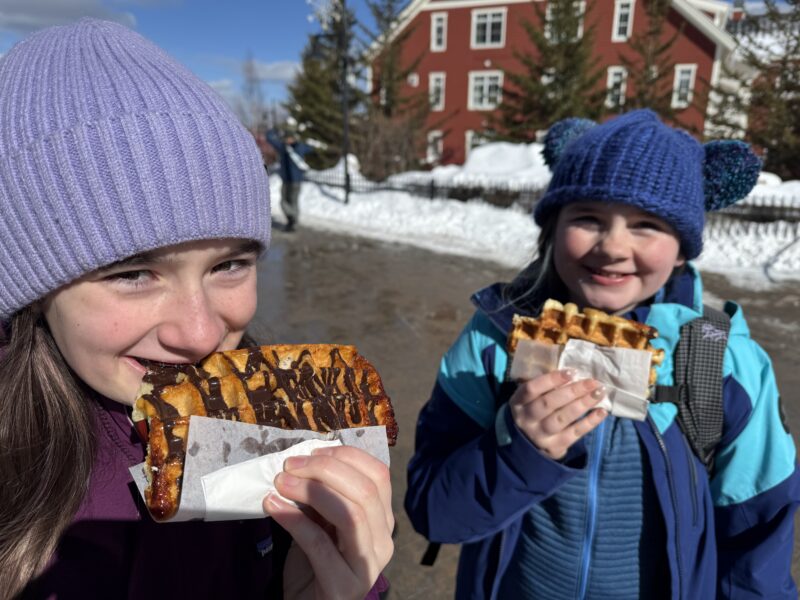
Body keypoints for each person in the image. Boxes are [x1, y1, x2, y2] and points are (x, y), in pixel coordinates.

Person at [0, 19, 392, 599]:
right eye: (133, 273)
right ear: (34, 288)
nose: (202, 332)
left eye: (229, 265)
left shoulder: (286, 430)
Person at [404, 109, 800, 599]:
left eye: (646, 224)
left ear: (681, 249)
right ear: (553, 227)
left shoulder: (724, 363)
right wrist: (516, 451)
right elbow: (434, 511)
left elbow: (757, 535)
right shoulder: (493, 342)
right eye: (588, 218)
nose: (613, 246)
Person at [267, 127, 312, 232]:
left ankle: (292, 222)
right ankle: (292, 219)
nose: (288, 140)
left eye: (289, 137)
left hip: (295, 180)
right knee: (284, 202)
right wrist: (275, 130)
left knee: (293, 201)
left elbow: (311, 148)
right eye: (287, 138)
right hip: (286, 179)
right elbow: (269, 138)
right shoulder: (285, 147)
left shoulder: (296, 147)